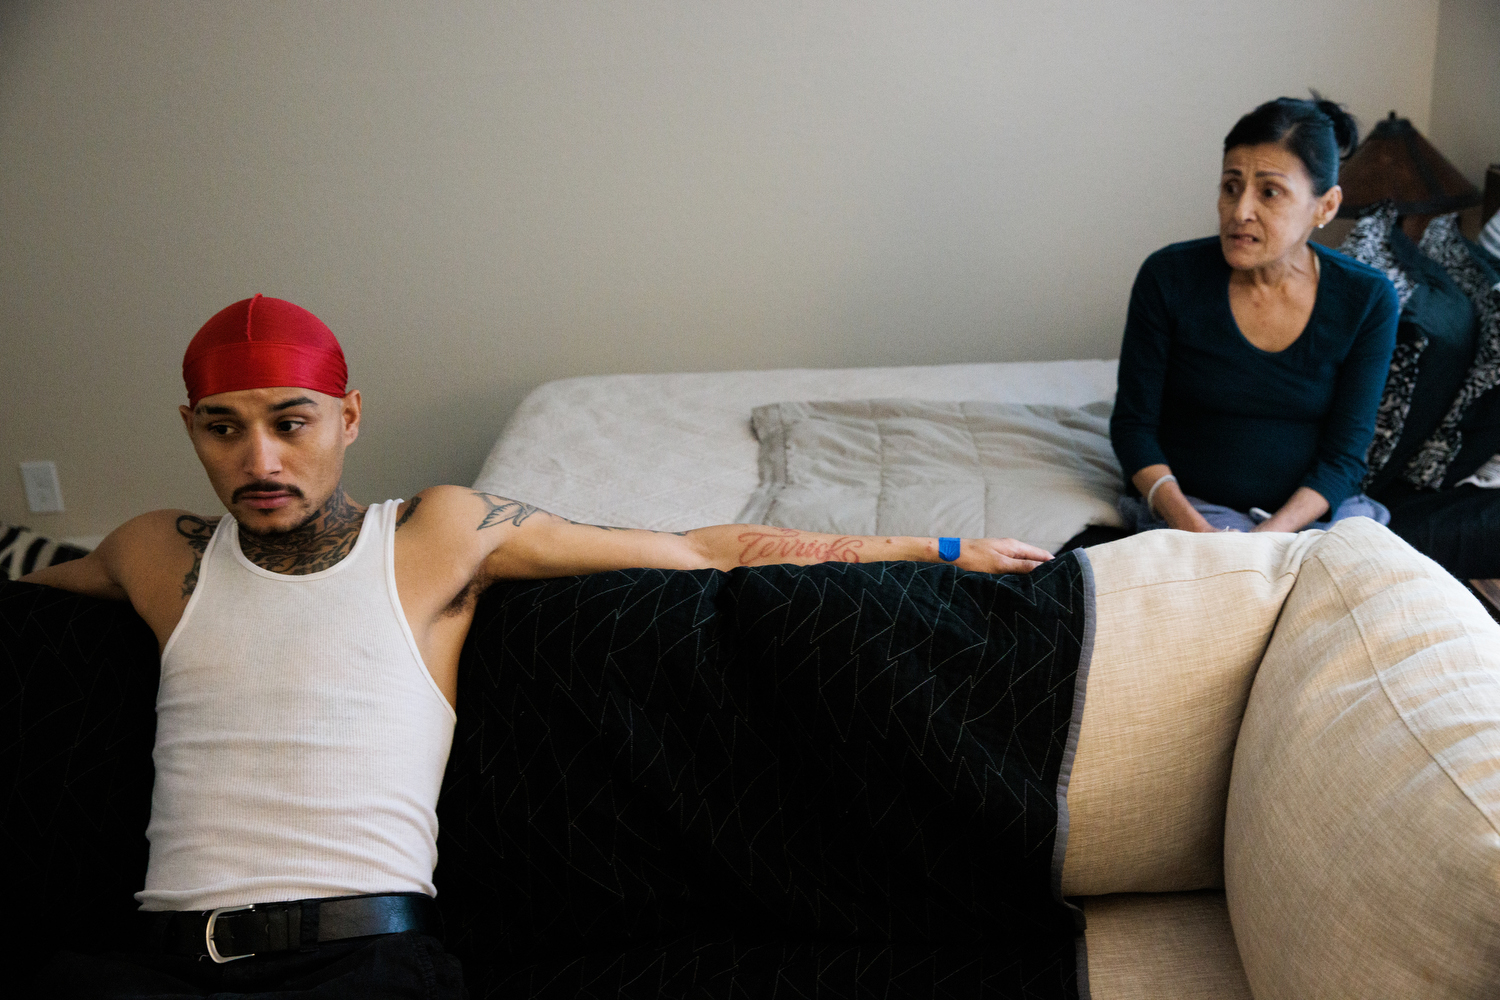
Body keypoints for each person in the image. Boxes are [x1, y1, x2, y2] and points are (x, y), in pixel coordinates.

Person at [21, 294, 1052, 998]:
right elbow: (30, 592)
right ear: (189, 427)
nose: (258, 458)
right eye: (221, 427)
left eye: (292, 422)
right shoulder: (154, 551)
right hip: (148, 968)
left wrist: (938, 545)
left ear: (349, 417)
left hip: (359, 967)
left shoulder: (435, 536)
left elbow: (699, 551)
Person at [1110, 96, 1400, 534]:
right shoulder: (1167, 277)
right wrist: (1199, 533)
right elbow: (1134, 428)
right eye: (1230, 187)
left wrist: (1265, 540)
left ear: (1326, 206)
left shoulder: (1367, 299)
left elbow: (1343, 459)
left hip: (1308, 517)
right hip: (1188, 509)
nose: (1240, 211)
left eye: (1270, 192)